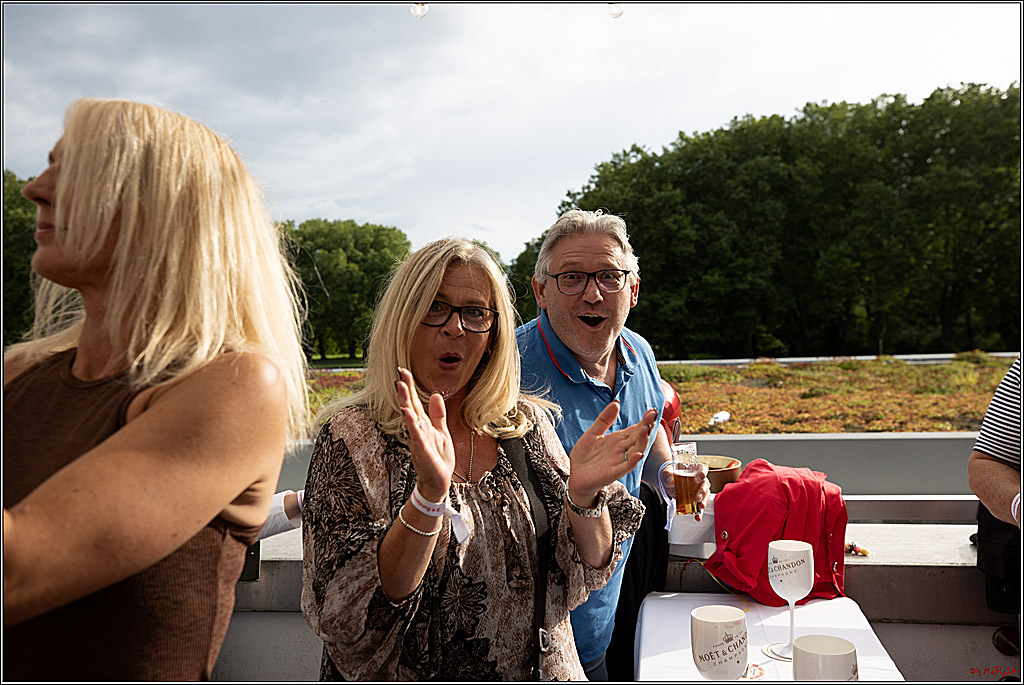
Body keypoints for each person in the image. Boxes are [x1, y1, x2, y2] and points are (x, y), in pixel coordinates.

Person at [3, 98, 308, 680]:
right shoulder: (21, 375)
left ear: (158, 207)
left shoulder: (233, 387)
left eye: (72, 171)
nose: (35, 189)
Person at [301, 237, 653, 680]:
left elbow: (593, 564)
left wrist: (584, 496)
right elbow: (350, 613)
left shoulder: (523, 424)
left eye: (475, 313)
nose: (456, 328)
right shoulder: (352, 437)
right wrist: (429, 499)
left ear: (494, 334)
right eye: (435, 307)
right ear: (401, 319)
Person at [517, 208, 708, 680]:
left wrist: (664, 474)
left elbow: (650, 434)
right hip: (528, 645)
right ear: (541, 291)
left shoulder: (638, 352)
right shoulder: (509, 370)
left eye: (609, 276)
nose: (593, 292)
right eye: (572, 277)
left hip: (601, 622)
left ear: (633, 290)